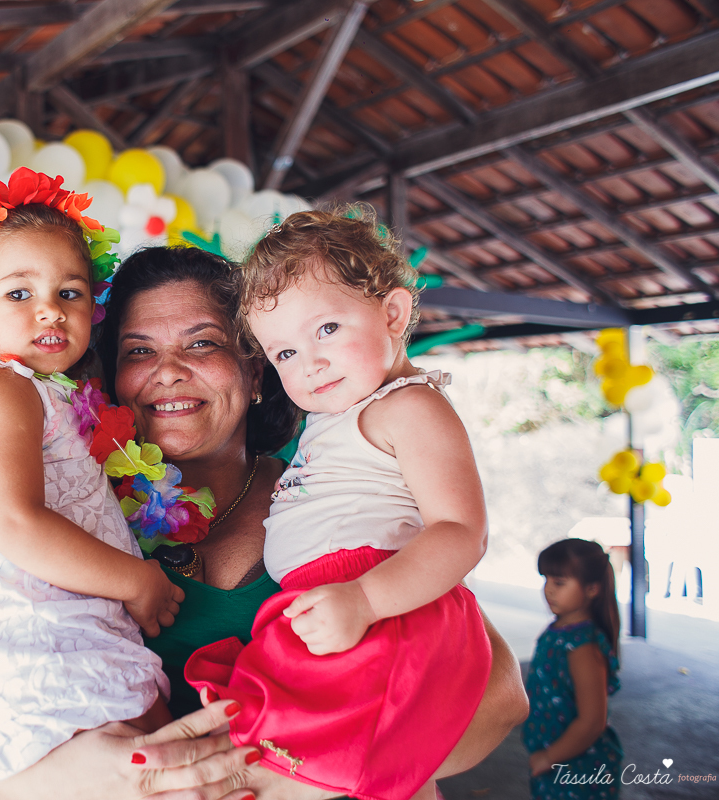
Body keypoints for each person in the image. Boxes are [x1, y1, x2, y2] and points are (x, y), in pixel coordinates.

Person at [0, 244, 530, 800]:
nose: (169, 370)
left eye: (201, 343)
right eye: (138, 351)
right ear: (113, 380)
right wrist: (62, 784)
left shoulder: (334, 490)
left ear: (256, 369)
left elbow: (500, 696)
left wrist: (279, 778)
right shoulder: (69, 521)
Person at [185, 206, 492, 800]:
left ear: (394, 313)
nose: (311, 362)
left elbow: (460, 530)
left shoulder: (407, 406)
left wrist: (366, 598)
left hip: (379, 605)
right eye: (285, 354)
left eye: (326, 330)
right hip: (330, 606)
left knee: (308, 765)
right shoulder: (334, 419)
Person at [0, 168, 183, 788]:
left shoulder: (44, 396)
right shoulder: (4, 389)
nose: (49, 310)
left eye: (70, 292)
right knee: (160, 763)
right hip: (49, 643)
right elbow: (18, 525)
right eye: (19, 294)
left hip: (66, 634)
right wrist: (136, 579)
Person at [524, 538, 623, 799]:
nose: (549, 590)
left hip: (578, 770)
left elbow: (592, 722)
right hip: (555, 761)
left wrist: (549, 756)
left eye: (559, 582)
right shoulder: (559, 631)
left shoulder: (582, 647)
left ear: (592, 589)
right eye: (546, 580)